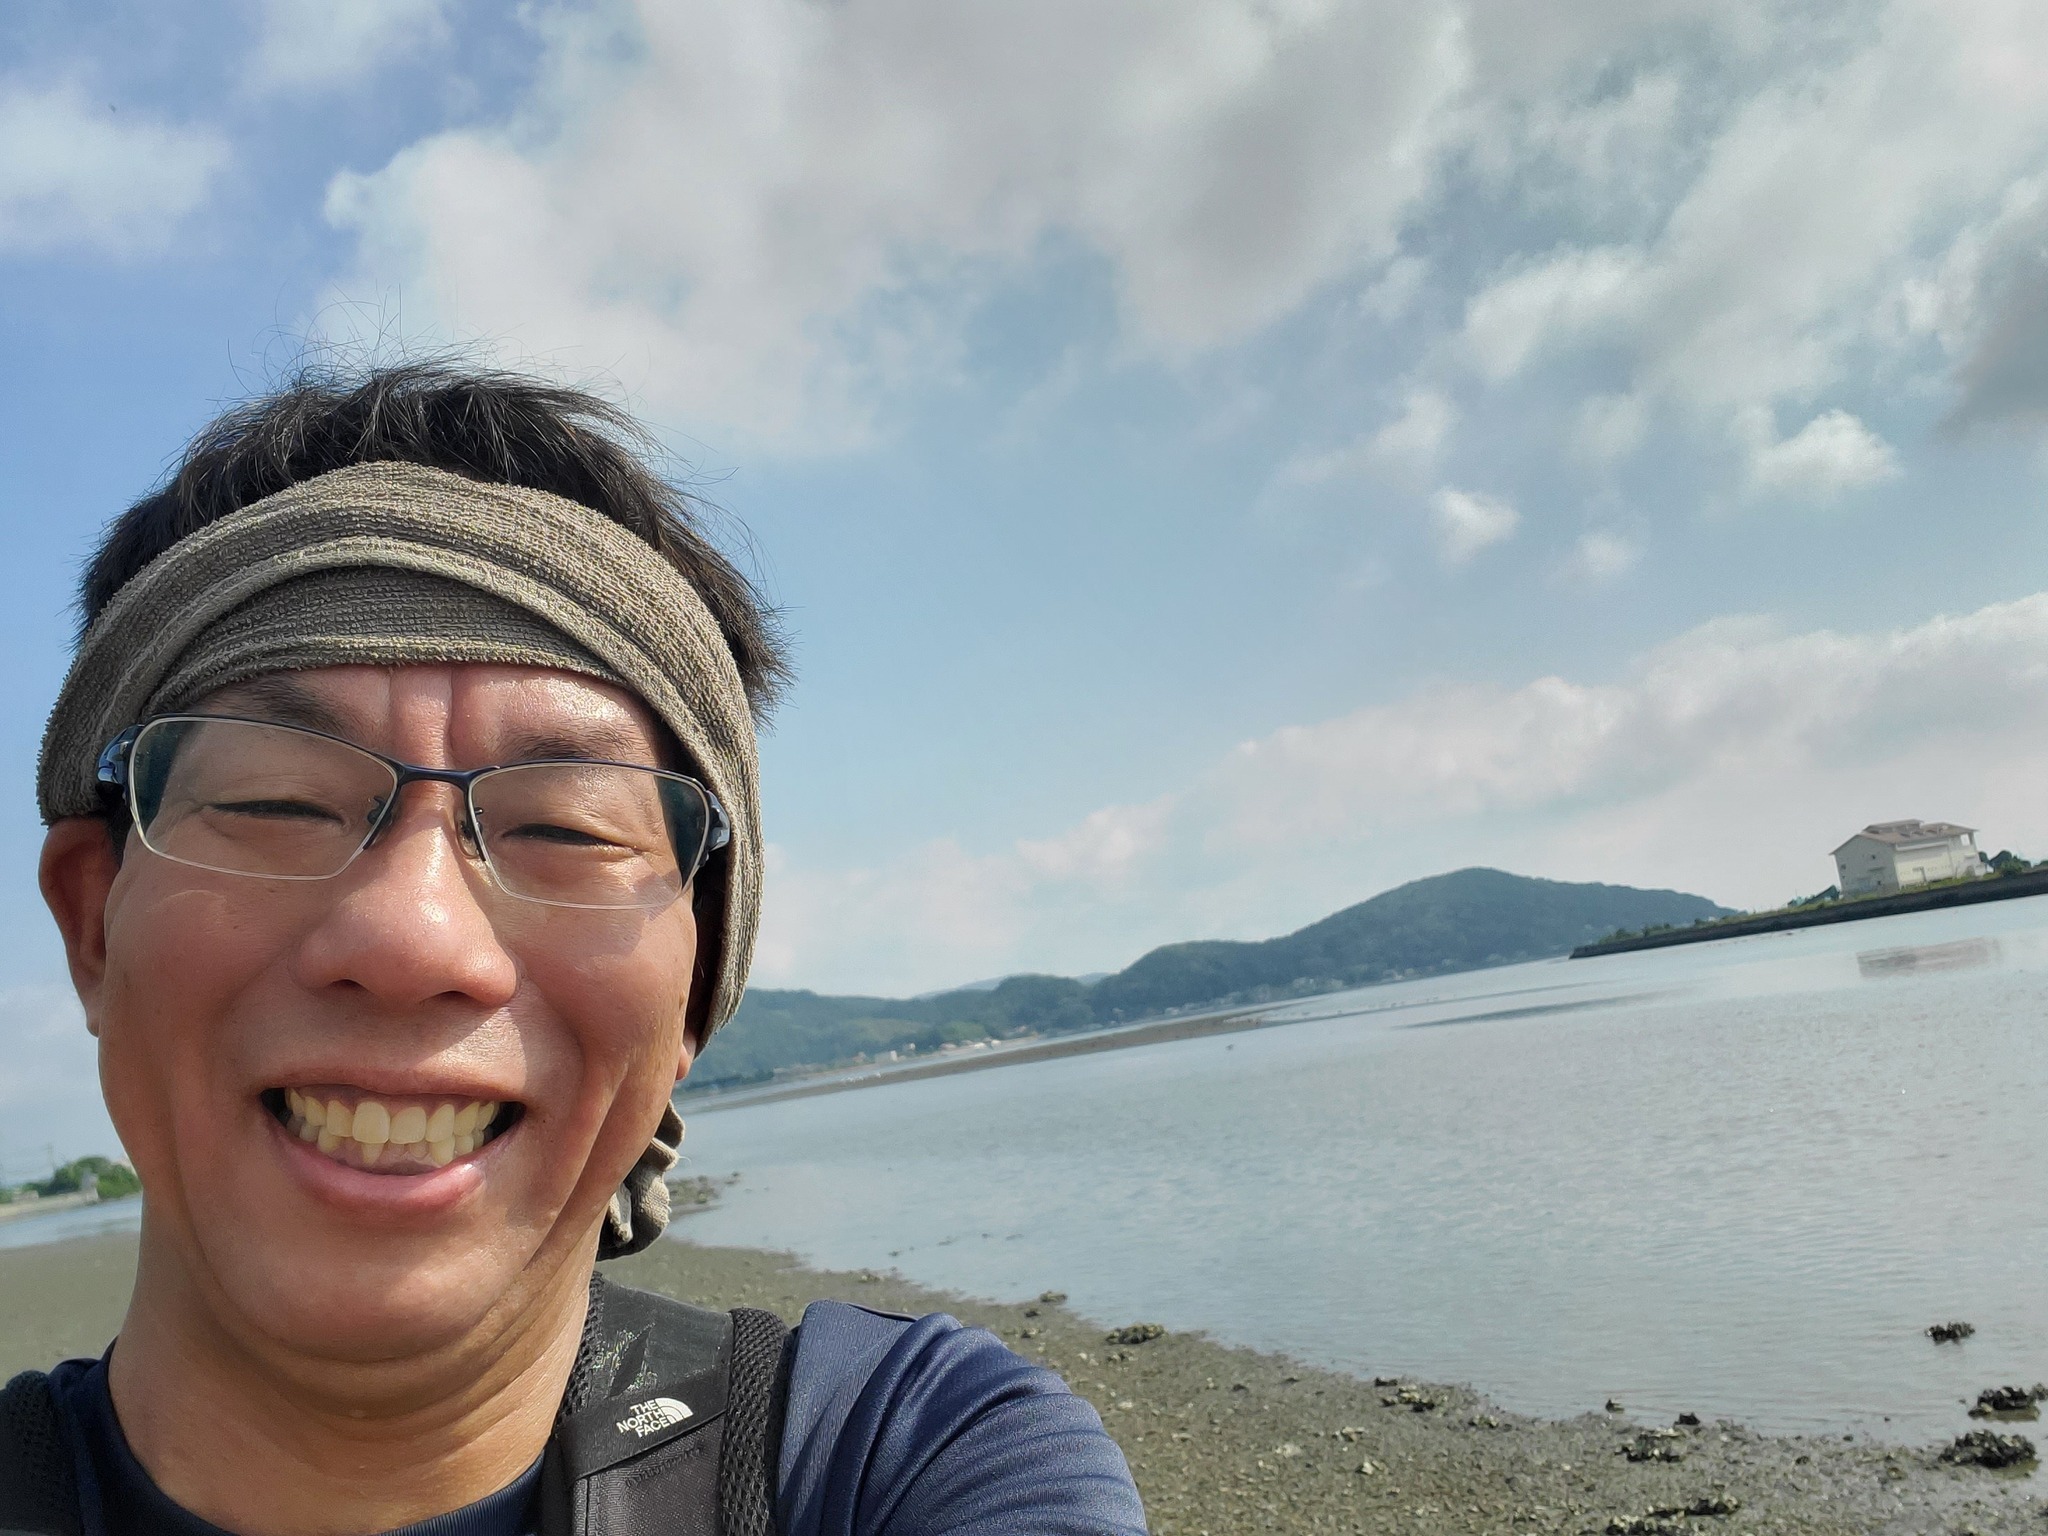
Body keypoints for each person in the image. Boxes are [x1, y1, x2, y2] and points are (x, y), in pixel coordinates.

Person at [0, 364, 1148, 1536]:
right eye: (276, 801)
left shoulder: (900, 1457)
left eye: (565, 828)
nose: (412, 938)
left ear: (700, 981)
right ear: (92, 924)